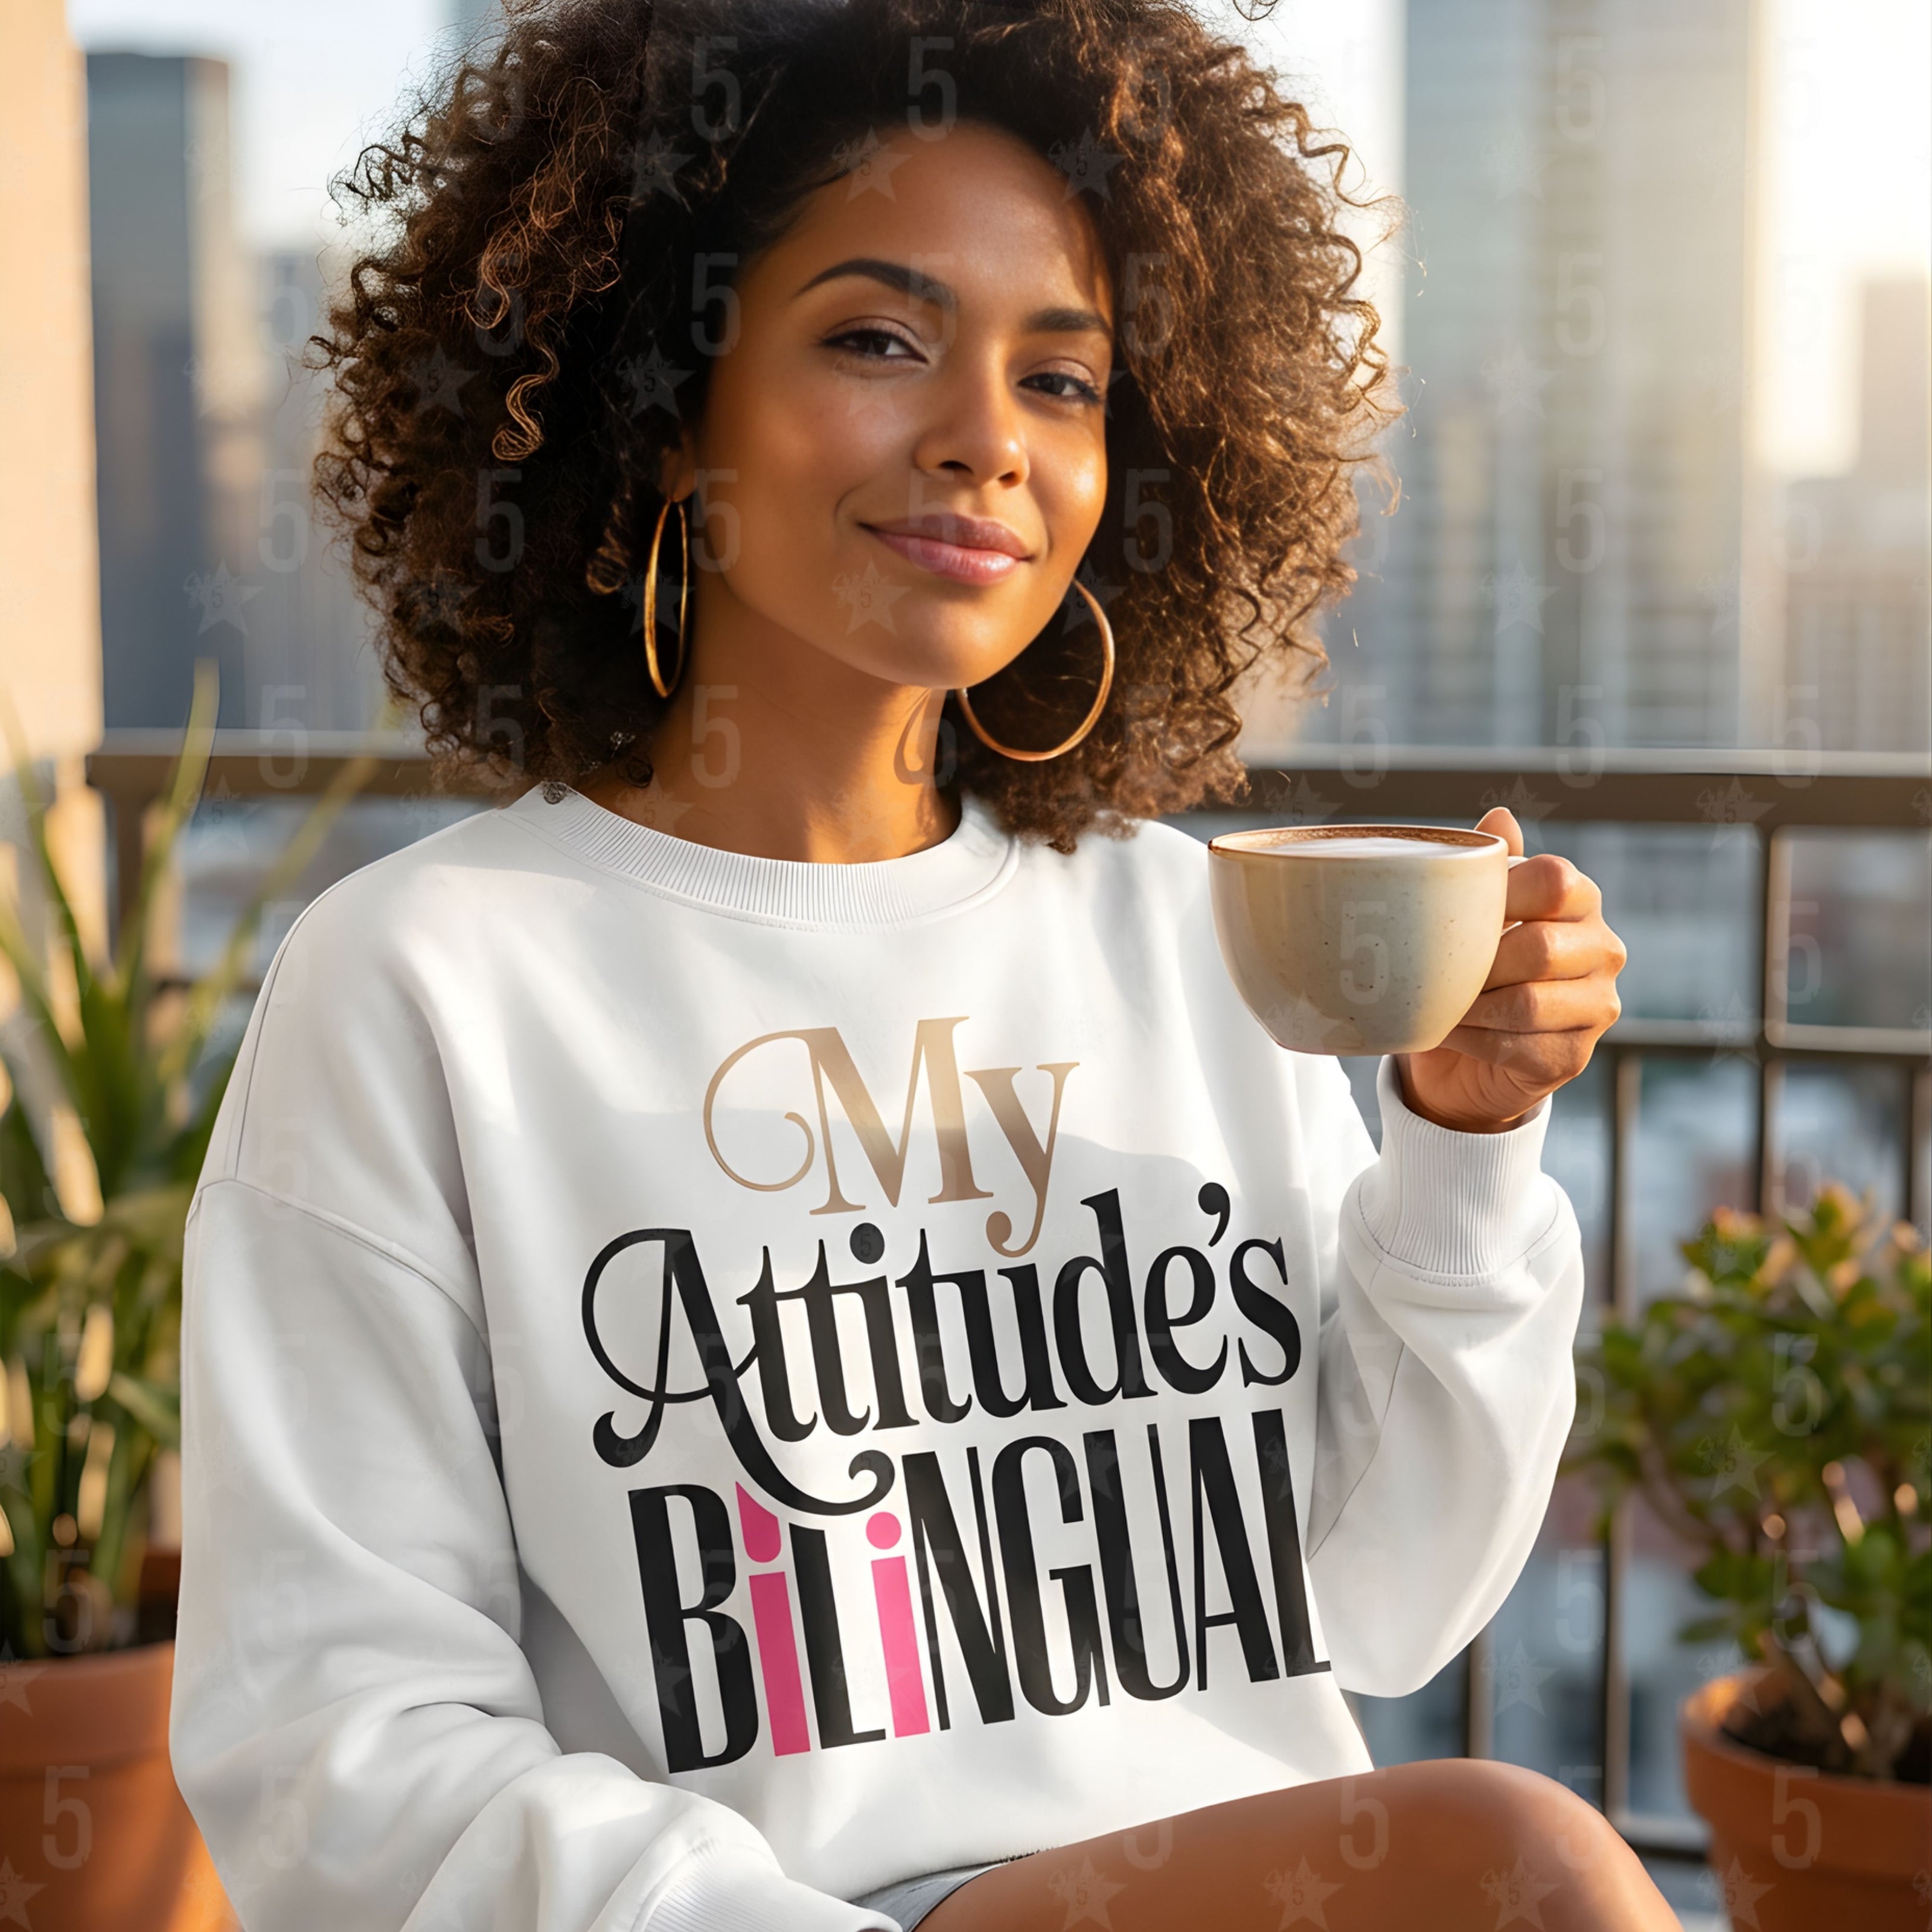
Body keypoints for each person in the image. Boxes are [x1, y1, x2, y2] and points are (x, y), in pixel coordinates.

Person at [169, 0, 1665, 1926]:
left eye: (1064, 382)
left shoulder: (1195, 932)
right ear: (662, 396)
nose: (984, 442)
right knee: (1523, 1867)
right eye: (878, 339)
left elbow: (1384, 1604)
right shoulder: (423, 986)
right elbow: (337, 1751)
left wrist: (1460, 1148)